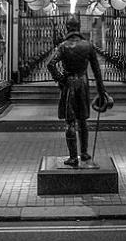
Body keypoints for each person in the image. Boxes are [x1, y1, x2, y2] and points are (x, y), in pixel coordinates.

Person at [47, 15, 112, 167]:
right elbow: (96, 71)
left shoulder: (63, 46)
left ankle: (72, 157)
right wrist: (102, 92)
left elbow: (51, 64)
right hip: (83, 83)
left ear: (67, 27)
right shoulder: (87, 46)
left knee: (70, 122)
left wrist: (60, 78)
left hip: (69, 83)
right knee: (82, 120)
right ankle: (84, 153)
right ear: (79, 27)